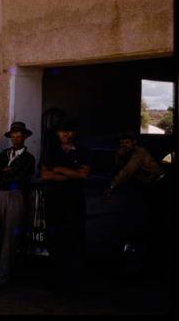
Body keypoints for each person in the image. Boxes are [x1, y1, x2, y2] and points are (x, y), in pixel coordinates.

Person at [0, 121, 35, 289]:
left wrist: (1, 173)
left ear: (24, 137)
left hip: (15, 195)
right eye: (14, 136)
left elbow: (18, 176)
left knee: (11, 239)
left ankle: (1, 278)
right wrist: (3, 172)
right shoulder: (4, 154)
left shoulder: (28, 158)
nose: (16, 139)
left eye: (19, 136)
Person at [104, 131, 166, 275]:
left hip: (156, 184)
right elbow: (118, 167)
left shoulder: (139, 152)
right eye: (122, 143)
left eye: (127, 142)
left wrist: (111, 186)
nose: (124, 145)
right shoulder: (124, 153)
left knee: (150, 218)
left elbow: (127, 171)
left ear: (134, 143)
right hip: (142, 184)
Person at [40, 119, 90, 291]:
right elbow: (45, 174)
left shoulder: (82, 150)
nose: (66, 135)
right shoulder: (51, 151)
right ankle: (58, 281)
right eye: (62, 131)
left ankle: (73, 282)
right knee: (55, 241)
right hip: (55, 202)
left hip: (75, 202)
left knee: (74, 241)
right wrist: (70, 174)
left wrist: (59, 169)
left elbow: (83, 174)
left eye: (69, 131)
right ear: (57, 133)